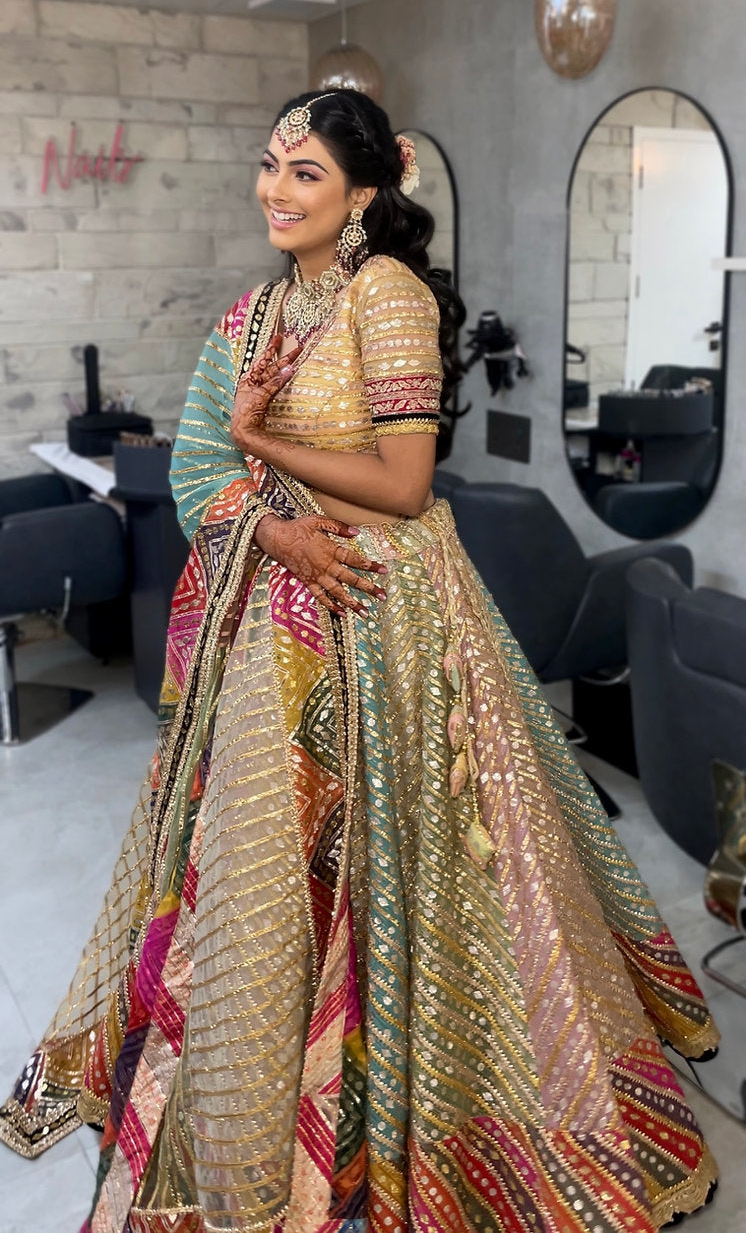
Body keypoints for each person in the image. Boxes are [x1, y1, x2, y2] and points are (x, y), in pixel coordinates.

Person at [0, 89, 719, 1233]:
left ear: (364, 193)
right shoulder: (254, 312)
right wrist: (266, 523)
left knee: (415, 868)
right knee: (261, 875)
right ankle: (267, 1115)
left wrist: (260, 441)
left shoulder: (385, 295)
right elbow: (193, 465)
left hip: (388, 618)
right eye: (269, 165)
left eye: (305, 174)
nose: (275, 191)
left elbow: (403, 486)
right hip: (272, 625)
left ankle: (414, 1124)